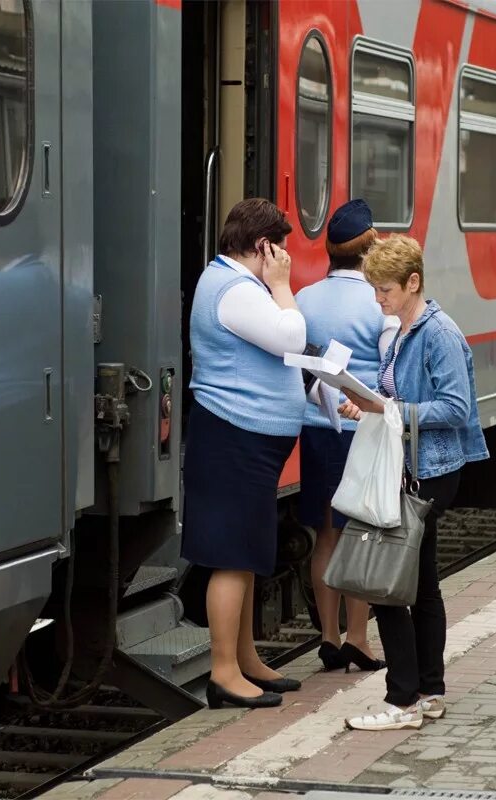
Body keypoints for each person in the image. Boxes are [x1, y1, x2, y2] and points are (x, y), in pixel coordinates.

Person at [338, 234, 489, 731]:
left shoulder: (437, 332)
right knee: (420, 586)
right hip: (413, 467)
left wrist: (390, 409)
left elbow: (456, 407)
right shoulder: (405, 328)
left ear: (413, 283)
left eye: (384, 290)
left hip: (428, 471)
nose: (377, 299)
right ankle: (429, 691)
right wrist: (364, 404)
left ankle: (402, 698)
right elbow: (395, 397)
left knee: (388, 584)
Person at [182, 198, 308, 709]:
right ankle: (224, 671)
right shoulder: (234, 290)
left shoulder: (235, 284)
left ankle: (246, 659)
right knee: (232, 557)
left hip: (246, 439)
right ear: (264, 246)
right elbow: (290, 337)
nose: (285, 259)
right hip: (234, 437)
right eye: (281, 250)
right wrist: (282, 286)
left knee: (248, 554)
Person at [294, 199, 397, 673]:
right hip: (363, 431)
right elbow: (391, 371)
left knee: (326, 535)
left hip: (316, 430)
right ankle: (359, 637)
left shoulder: (305, 298)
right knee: (362, 533)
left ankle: (329, 636)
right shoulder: (380, 301)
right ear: (370, 246)